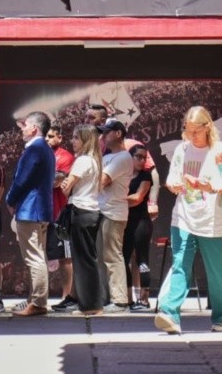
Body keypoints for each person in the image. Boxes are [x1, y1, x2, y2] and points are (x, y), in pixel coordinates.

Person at [155, 106, 222, 335]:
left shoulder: (221, 151)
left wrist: (209, 186)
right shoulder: (182, 150)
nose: (192, 136)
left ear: (207, 127)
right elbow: (171, 179)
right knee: (180, 264)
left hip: (213, 220)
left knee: (217, 271)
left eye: (196, 131)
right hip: (183, 217)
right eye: (188, 130)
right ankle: (169, 313)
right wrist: (173, 185)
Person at [5, 111, 55, 317]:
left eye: (25, 125)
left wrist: (10, 199)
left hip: (30, 210)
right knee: (38, 256)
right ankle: (36, 299)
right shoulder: (46, 149)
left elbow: (21, 180)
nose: (22, 129)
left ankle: (38, 302)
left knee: (34, 258)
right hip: (39, 210)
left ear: (34, 128)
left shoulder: (34, 149)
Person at [60, 124, 104, 316]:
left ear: (85, 140)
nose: (72, 141)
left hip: (81, 210)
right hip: (91, 210)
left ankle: (90, 306)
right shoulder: (94, 161)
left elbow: (66, 188)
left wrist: (65, 183)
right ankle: (91, 304)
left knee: (83, 261)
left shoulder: (83, 160)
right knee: (88, 260)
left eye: (76, 138)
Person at [96, 119, 134, 313]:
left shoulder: (123, 157)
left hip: (113, 213)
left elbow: (101, 181)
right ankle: (105, 298)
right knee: (102, 258)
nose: (103, 136)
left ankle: (119, 300)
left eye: (107, 132)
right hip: (103, 211)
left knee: (112, 256)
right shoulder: (107, 157)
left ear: (118, 133)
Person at [46, 122, 78, 313]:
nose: (47, 139)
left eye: (51, 136)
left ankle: (66, 297)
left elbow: (56, 182)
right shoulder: (40, 153)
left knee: (65, 258)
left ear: (60, 137)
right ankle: (37, 298)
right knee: (38, 256)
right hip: (42, 213)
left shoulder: (65, 156)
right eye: (46, 136)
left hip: (60, 214)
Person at [124, 144, 154, 311]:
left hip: (141, 222)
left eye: (145, 157)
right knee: (123, 259)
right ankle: (128, 299)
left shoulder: (146, 176)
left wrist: (117, 200)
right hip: (125, 222)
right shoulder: (124, 175)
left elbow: (137, 198)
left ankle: (144, 300)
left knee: (142, 259)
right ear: (130, 157)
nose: (142, 161)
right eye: (139, 157)